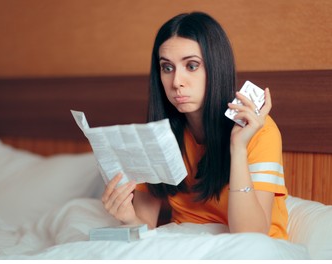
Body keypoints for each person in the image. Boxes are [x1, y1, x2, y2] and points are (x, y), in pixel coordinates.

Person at [101, 11, 288, 239]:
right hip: (184, 245)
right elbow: (145, 225)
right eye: (167, 68)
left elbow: (250, 235)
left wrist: (238, 149)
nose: (177, 82)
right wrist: (128, 217)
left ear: (216, 67)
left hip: (246, 249)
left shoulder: (260, 130)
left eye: (191, 66)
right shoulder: (159, 135)